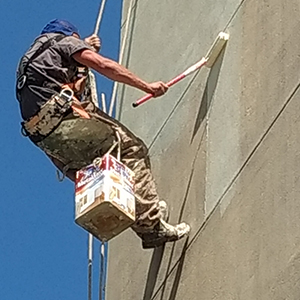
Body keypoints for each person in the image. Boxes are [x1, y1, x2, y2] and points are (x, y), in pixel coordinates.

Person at [16, 19, 190, 248]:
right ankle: (152, 226)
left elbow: (69, 82)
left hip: (48, 139)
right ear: (70, 35)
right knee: (131, 149)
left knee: (96, 171)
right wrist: (147, 87)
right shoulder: (65, 43)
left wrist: (83, 48)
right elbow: (104, 66)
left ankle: (145, 214)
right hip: (66, 123)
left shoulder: (31, 60)